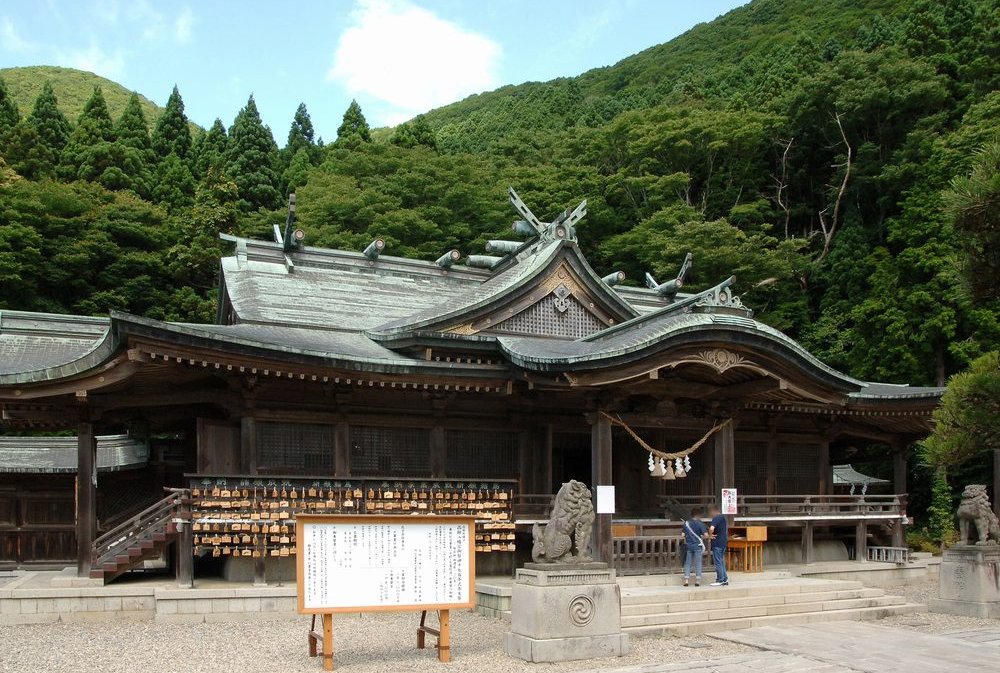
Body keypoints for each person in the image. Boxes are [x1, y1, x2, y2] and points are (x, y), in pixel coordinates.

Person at [681, 507, 707, 587]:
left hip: (689, 546)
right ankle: (697, 581)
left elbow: (683, 534)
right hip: (697, 545)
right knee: (698, 563)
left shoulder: (686, 523)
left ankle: (686, 580)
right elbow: (705, 535)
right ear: (698, 515)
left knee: (688, 563)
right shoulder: (700, 523)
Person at [708, 504, 729, 586]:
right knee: (721, 561)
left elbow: (711, 528)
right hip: (723, 542)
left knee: (718, 562)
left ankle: (720, 579)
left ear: (713, 511)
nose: (709, 514)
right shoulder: (722, 517)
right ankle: (724, 579)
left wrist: (710, 535)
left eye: (710, 512)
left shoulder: (716, 518)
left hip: (717, 542)